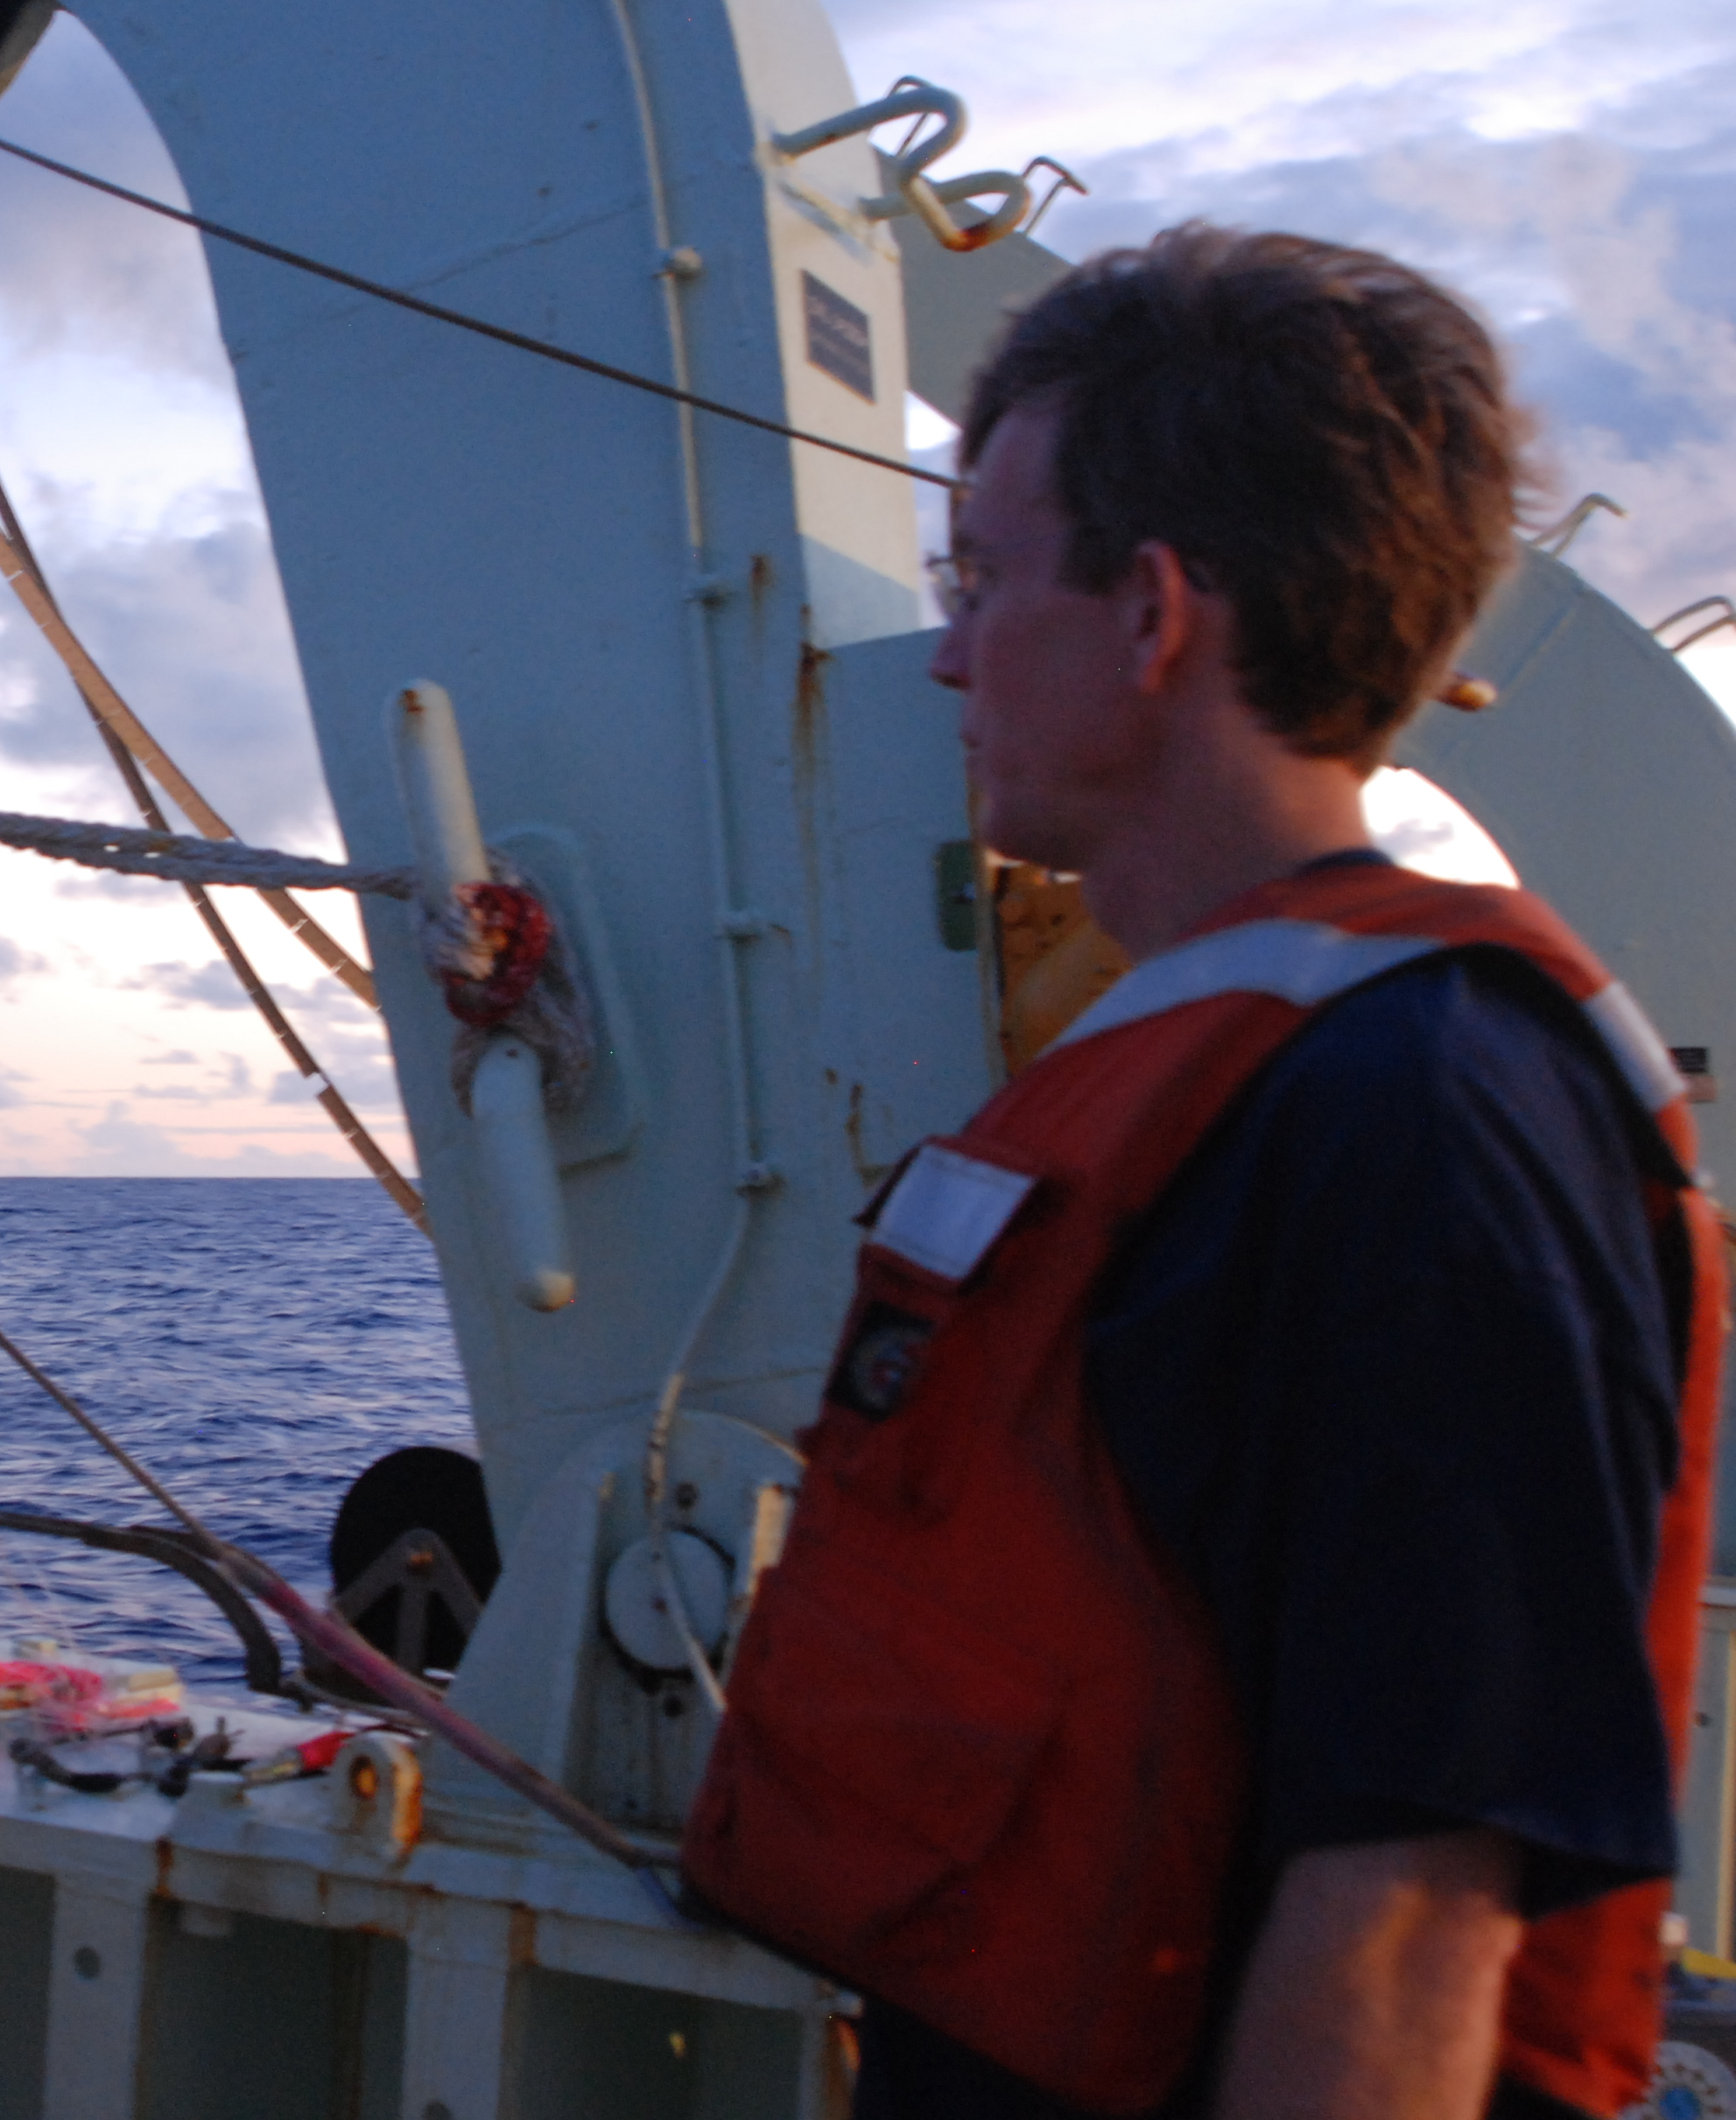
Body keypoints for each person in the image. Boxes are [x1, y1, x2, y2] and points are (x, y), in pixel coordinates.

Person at [686, 225, 1722, 2120]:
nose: (949, 654)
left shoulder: (1425, 1114)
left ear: (1153, 615)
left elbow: (1405, 1915)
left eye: (984, 580)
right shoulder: (1211, 1062)